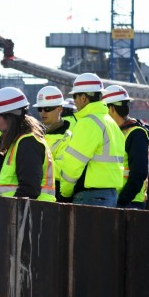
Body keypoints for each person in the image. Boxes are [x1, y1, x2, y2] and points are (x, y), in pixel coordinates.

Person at [59, 73, 125, 206]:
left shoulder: (89, 123)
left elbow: (73, 164)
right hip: (110, 195)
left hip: (90, 197)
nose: (74, 101)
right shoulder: (110, 123)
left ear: (83, 97)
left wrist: (65, 192)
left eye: (74, 96)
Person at [0, 87, 56, 201]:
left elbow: (29, 189)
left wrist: (8, 210)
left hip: (32, 214)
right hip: (27, 213)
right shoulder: (19, 143)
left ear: (9, 117)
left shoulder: (28, 144)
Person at [102, 84, 149, 209]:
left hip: (130, 203)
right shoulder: (115, 131)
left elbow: (139, 173)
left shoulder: (136, 133)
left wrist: (122, 201)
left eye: (104, 108)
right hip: (116, 200)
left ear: (112, 109)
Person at [33, 85, 72, 200]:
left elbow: (61, 171)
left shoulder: (67, 137)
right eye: (40, 109)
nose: (43, 112)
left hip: (54, 196)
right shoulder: (34, 134)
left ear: (60, 108)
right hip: (33, 193)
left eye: (48, 108)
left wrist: (33, 166)